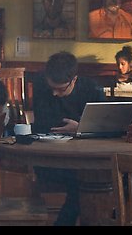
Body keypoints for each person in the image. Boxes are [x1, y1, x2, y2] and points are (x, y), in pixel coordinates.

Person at [31, 51, 105, 225]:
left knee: (88, 178)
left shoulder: (92, 89)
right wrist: (83, 126)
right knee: (85, 182)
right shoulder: (42, 86)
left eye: (60, 89)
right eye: (52, 88)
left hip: (86, 157)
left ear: (74, 79)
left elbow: (104, 125)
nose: (55, 93)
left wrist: (79, 129)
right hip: (51, 159)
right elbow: (44, 122)